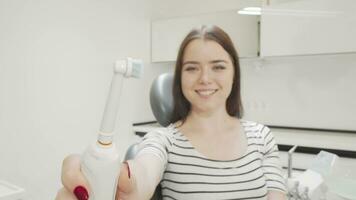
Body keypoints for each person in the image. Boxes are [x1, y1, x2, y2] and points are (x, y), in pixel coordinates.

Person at [56, 25, 287, 200]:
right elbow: (141, 176)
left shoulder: (261, 136)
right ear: (180, 78)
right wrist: (115, 178)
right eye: (192, 68)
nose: (205, 78)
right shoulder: (163, 141)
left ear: (234, 73)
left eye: (218, 66)